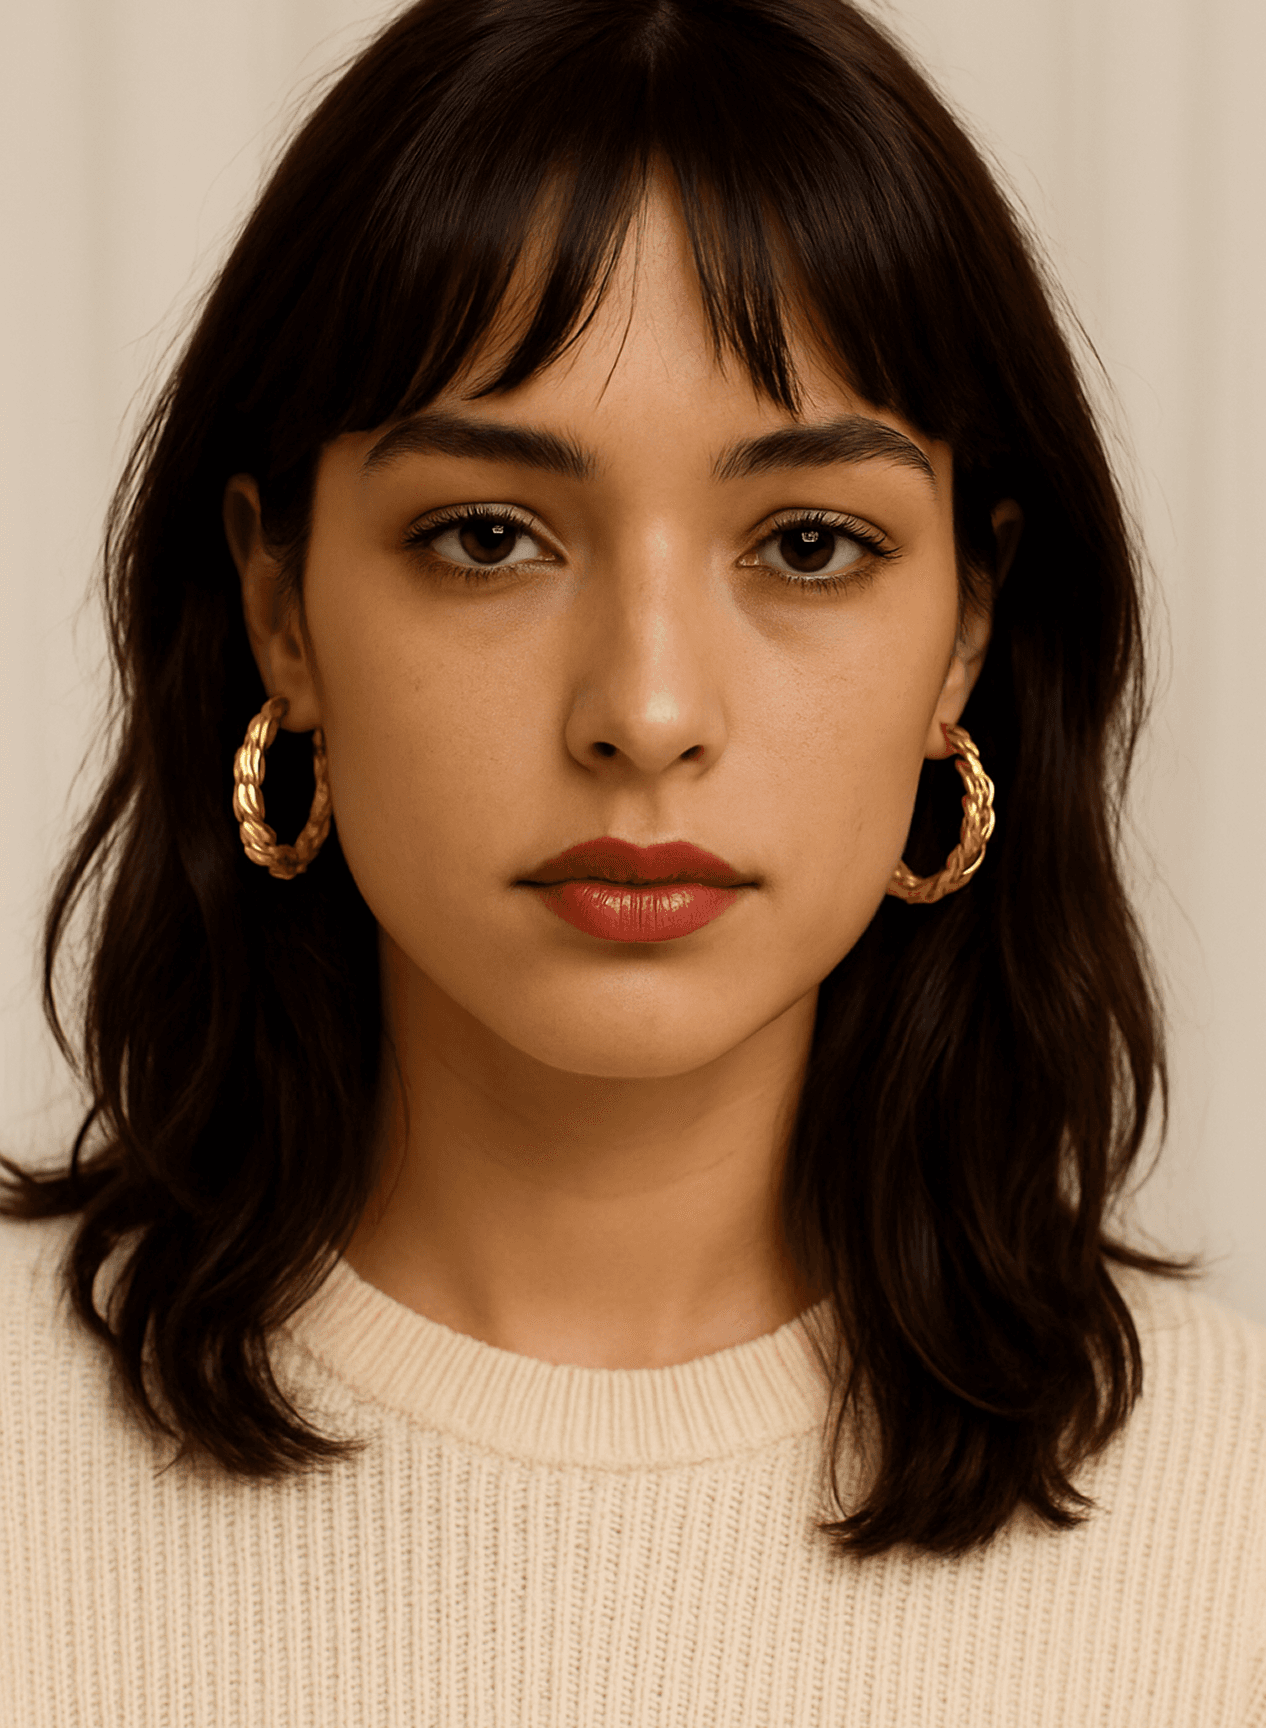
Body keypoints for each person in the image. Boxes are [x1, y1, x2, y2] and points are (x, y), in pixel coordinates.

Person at [2, 0, 1263, 1722]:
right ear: (279, 605)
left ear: (965, 632)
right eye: (487, 537)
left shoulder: (1228, 1532)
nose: (647, 711)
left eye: (807, 545)